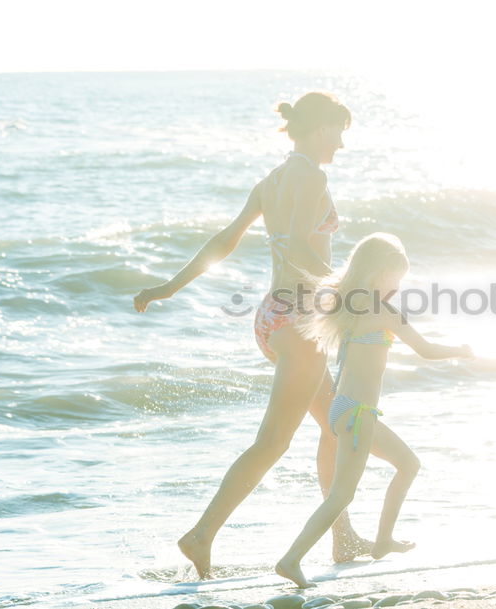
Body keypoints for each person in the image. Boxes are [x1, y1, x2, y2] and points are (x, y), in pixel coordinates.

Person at [133, 92, 412, 579]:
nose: (341, 144)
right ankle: (200, 536)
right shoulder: (311, 176)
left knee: (333, 427)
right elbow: (304, 243)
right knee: (273, 441)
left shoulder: (273, 180)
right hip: (300, 319)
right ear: (322, 127)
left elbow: (226, 240)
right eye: (339, 131)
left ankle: (342, 538)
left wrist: (168, 287)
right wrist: (353, 294)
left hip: (272, 317)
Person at [274, 233, 474, 588]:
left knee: (408, 464)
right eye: (396, 278)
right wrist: (461, 350)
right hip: (359, 413)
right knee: (342, 494)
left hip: (345, 408)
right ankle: (291, 560)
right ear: (380, 271)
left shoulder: (350, 304)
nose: (397, 287)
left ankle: (383, 541)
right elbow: (425, 350)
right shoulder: (383, 310)